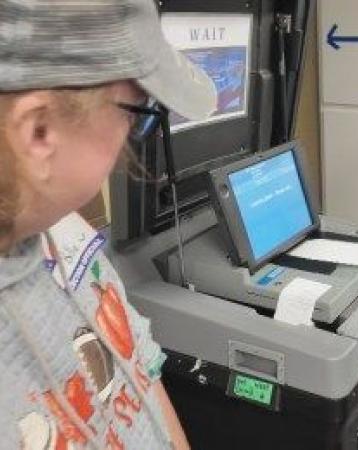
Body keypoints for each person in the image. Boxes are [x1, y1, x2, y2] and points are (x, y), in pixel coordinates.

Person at [0, 0, 216, 449]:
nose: (128, 150)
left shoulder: (63, 230)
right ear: (38, 130)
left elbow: (142, 375)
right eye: (132, 112)